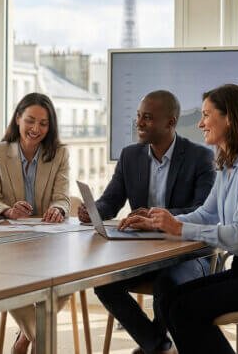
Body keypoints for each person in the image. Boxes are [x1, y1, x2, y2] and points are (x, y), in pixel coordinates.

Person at [120, 84, 238, 354]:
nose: (200, 123)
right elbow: (208, 214)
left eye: (207, 115)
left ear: (229, 118)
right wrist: (160, 221)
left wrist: (180, 227)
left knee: (185, 309)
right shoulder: (229, 163)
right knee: (169, 302)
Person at [78, 90, 216, 354]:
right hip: (144, 254)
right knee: (104, 282)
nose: (139, 123)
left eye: (148, 118)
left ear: (171, 122)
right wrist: (93, 210)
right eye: (139, 116)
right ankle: (159, 346)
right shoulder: (131, 156)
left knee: (168, 282)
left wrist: (155, 218)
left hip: (190, 255)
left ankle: (154, 345)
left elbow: (203, 210)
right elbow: (111, 201)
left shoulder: (200, 157)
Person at [0, 92, 70, 354]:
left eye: (43, 124)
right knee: (3, 278)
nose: (36, 129)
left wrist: (57, 208)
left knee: (73, 275)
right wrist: (8, 210)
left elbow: (63, 198)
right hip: (9, 242)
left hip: (47, 241)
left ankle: (25, 337)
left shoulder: (59, 154)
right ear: (18, 118)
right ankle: (39, 338)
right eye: (30, 121)